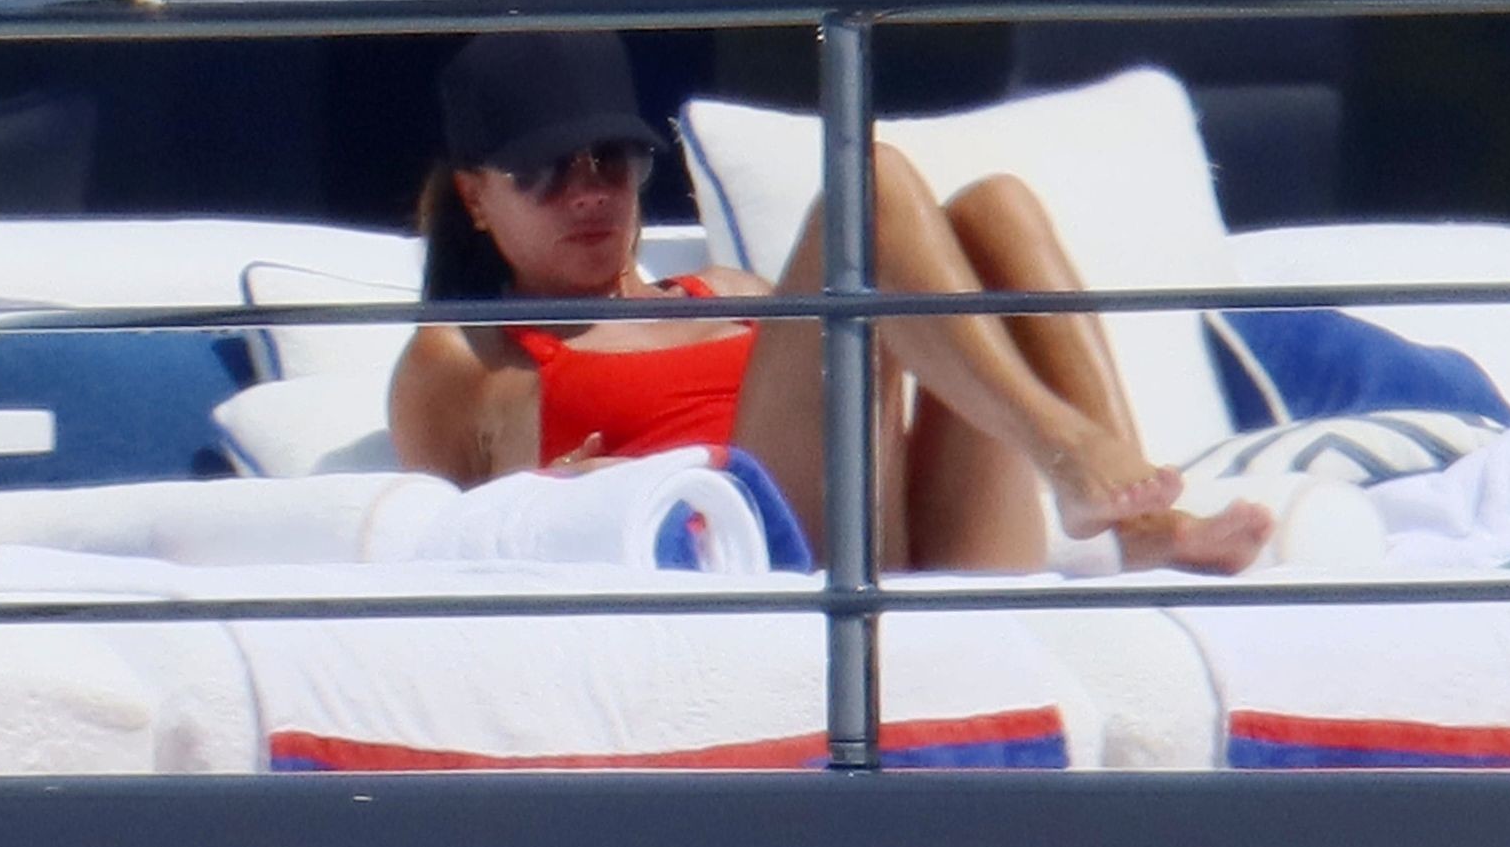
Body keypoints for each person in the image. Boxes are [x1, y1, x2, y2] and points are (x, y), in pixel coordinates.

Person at [390, 31, 1272, 574]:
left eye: (611, 162)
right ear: (475, 197)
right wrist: (568, 498)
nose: (589, 194)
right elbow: (440, 543)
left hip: (909, 545)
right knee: (869, 187)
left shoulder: (729, 293)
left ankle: (1143, 524)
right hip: (766, 563)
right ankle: (1064, 444)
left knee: (995, 207)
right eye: (544, 172)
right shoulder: (465, 357)